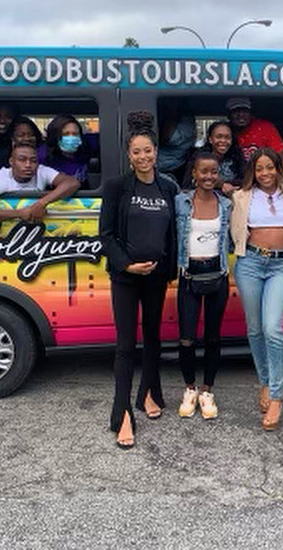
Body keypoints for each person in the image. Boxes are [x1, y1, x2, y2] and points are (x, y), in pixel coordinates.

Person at [99, 111, 179, 449]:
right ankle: (122, 412)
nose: (143, 157)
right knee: (125, 344)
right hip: (127, 277)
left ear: (156, 152)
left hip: (157, 276)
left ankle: (150, 390)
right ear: (128, 155)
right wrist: (127, 266)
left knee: (153, 336)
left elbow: (173, 232)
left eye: (148, 151)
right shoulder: (117, 187)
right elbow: (106, 235)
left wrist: (170, 270)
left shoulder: (168, 186)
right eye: (137, 152)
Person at [231, 147, 283, 430]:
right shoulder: (241, 196)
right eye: (259, 168)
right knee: (255, 329)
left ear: (278, 168)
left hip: (279, 266)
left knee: (273, 328)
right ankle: (264, 381)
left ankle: (276, 395)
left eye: (270, 167)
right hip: (250, 263)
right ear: (253, 171)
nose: (265, 173)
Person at [175, 151, 233, 420]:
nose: (209, 176)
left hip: (217, 274)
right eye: (204, 171)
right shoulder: (181, 202)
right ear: (194, 173)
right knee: (187, 338)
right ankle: (190, 388)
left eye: (214, 172)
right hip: (189, 275)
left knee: (212, 337)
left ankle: (207, 390)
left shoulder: (226, 205)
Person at [0, 142, 80, 223]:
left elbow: (72, 183)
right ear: (11, 162)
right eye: (22, 160)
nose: (28, 165)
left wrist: (41, 203)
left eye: (33, 161)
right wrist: (20, 213)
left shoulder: (41, 171)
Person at [226, 97, 283, 179]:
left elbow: (282, 157)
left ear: (251, 113)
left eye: (245, 111)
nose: (241, 115)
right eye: (236, 111)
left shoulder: (264, 127)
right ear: (229, 115)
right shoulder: (225, 131)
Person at [182, 120, 245, 195]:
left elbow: (245, 180)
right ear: (210, 139)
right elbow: (189, 184)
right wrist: (221, 185)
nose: (223, 141)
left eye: (227, 137)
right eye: (219, 137)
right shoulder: (199, 157)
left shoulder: (237, 157)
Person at [38, 114, 90, 184]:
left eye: (75, 134)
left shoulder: (86, 149)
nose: (71, 138)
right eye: (65, 134)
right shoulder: (43, 155)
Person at [157, 98, 197, 185]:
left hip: (174, 170)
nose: (167, 104)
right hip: (154, 170)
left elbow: (168, 138)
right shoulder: (159, 115)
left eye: (171, 101)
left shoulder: (187, 121)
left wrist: (172, 112)